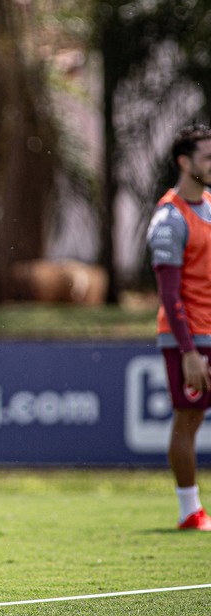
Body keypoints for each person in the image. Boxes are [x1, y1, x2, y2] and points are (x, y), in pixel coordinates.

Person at [146, 123, 211, 531]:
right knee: (188, 418)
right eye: (206, 156)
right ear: (185, 162)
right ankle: (190, 510)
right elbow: (169, 296)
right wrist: (188, 351)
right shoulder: (169, 218)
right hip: (189, 338)